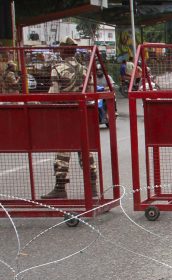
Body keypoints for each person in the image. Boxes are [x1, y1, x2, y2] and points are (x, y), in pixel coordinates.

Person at [41, 37, 98, 199]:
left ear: (64, 50)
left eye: (60, 49)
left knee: (63, 149)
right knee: (85, 149)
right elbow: (92, 91)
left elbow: (54, 94)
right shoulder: (84, 69)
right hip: (83, 113)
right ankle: (93, 187)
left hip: (65, 114)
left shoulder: (57, 68)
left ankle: (60, 188)